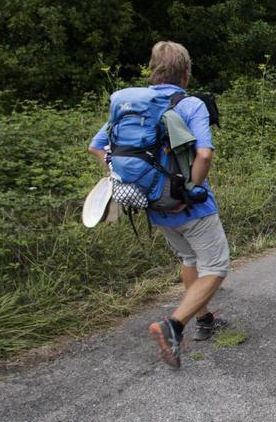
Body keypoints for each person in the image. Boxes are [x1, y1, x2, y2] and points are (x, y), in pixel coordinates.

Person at [88, 41, 230, 368]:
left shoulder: (134, 105)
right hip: (190, 205)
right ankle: (174, 325)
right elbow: (204, 155)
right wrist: (190, 189)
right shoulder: (190, 104)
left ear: (153, 70)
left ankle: (205, 320)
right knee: (216, 266)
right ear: (186, 72)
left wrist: (126, 177)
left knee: (190, 256)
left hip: (154, 205)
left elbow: (97, 147)